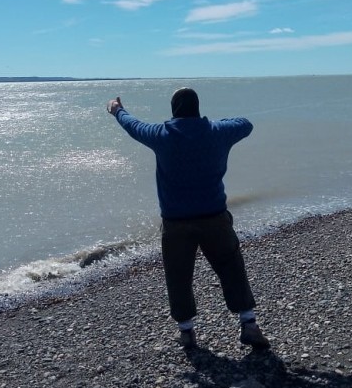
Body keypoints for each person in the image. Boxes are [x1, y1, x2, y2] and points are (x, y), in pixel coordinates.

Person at [106, 88, 270, 350]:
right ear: (197, 108)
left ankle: (186, 332)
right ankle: (248, 324)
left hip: (176, 223)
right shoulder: (216, 132)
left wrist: (116, 109)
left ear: (173, 110)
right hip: (215, 218)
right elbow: (245, 123)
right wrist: (212, 125)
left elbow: (132, 125)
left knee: (178, 275)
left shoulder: (162, 135)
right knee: (231, 268)